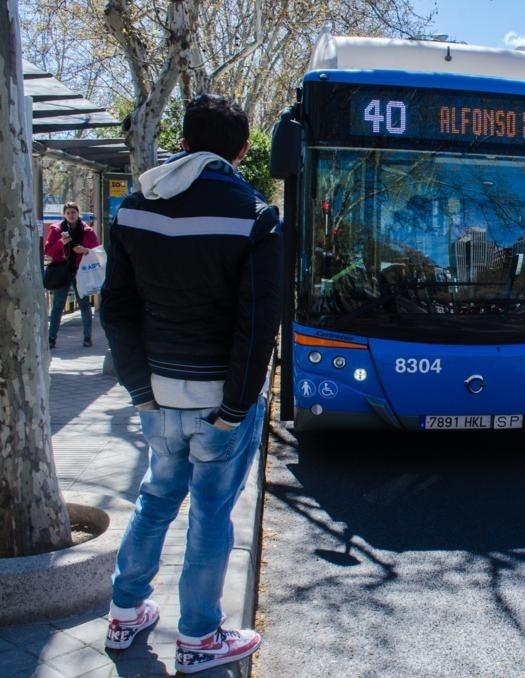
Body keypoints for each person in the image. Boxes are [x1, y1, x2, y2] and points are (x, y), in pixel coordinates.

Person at [100, 94, 281, 674]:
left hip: (157, 394)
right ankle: (200, 636)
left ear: (183, 141)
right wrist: (236, 405)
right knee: (209, 513)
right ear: (242, 149)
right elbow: (257, 322)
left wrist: (139, 391)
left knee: (155, 499)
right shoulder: (254, 214)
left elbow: (117, 310)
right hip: (217, 403)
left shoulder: (133, 209)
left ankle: (126, 611)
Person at [43, 202, 99, 348]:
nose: (71, 215)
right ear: (64, 215)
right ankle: (51, 338)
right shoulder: (56, 230)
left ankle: (87, 337)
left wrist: (85, 250)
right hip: (62, 272)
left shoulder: (87, 231)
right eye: (68, 213)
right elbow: (48, 251)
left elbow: (97, 252)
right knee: (57, 306)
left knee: (85, 305)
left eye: (73, 212)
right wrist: (61, 242)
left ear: (78, 213)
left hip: (81, 273)